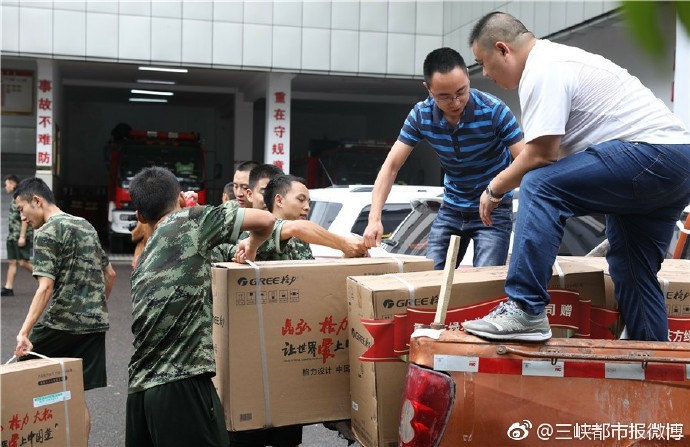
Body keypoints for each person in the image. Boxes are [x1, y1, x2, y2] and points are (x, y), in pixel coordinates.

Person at [461, 12, 690, 342]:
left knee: (539, 185)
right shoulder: (558, 60)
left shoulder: (541, 66)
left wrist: (494, 188)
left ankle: (525, 308)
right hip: (677, 162)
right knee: (632, 269)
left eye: (483, 63)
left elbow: (541, 155)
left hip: (650, 155)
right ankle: (654, 361)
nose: (484, 73)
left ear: (503, 49)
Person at [125, 166, 275, 447]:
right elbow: (266, 219)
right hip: (181, 384)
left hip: (140, 392)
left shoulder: (144, 260)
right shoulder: (192, 219)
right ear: (181, 198)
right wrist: (252, 246)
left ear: (140, 217)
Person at [362, 47, 524, 270]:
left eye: (461, 92)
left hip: (493, 211)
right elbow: (391, 166)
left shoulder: (494, 111)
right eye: (444, 97)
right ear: (428, 89)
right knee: (431, 279)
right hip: (451, 209)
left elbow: (526, 160)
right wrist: (374, 219)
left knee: (483, 281)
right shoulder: (421, 115)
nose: (455, 102)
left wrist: (496, 190)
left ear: (468, 77)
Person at [12, 177, 116, 441]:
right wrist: (94, 307)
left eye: (22, 209)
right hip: (95, 324)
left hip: (63, 323)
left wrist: (24, 332)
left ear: (36, 200)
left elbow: (45, 287)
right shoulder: (86, 225)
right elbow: (111, 274)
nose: (22, 218)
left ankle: (36, 436)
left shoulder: (47, 232)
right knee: (74, 391)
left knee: (24, 371)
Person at [2, 174, 33, 296]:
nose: (6, 187)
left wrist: (22, 236)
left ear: (13, 183)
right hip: (12, 236)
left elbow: (24, 218)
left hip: (19, 235)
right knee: (12, 262)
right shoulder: (14, 197)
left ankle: (46, 279)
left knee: (22, 262)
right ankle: (8, 288)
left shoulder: (21, 197)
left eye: (7, 184)